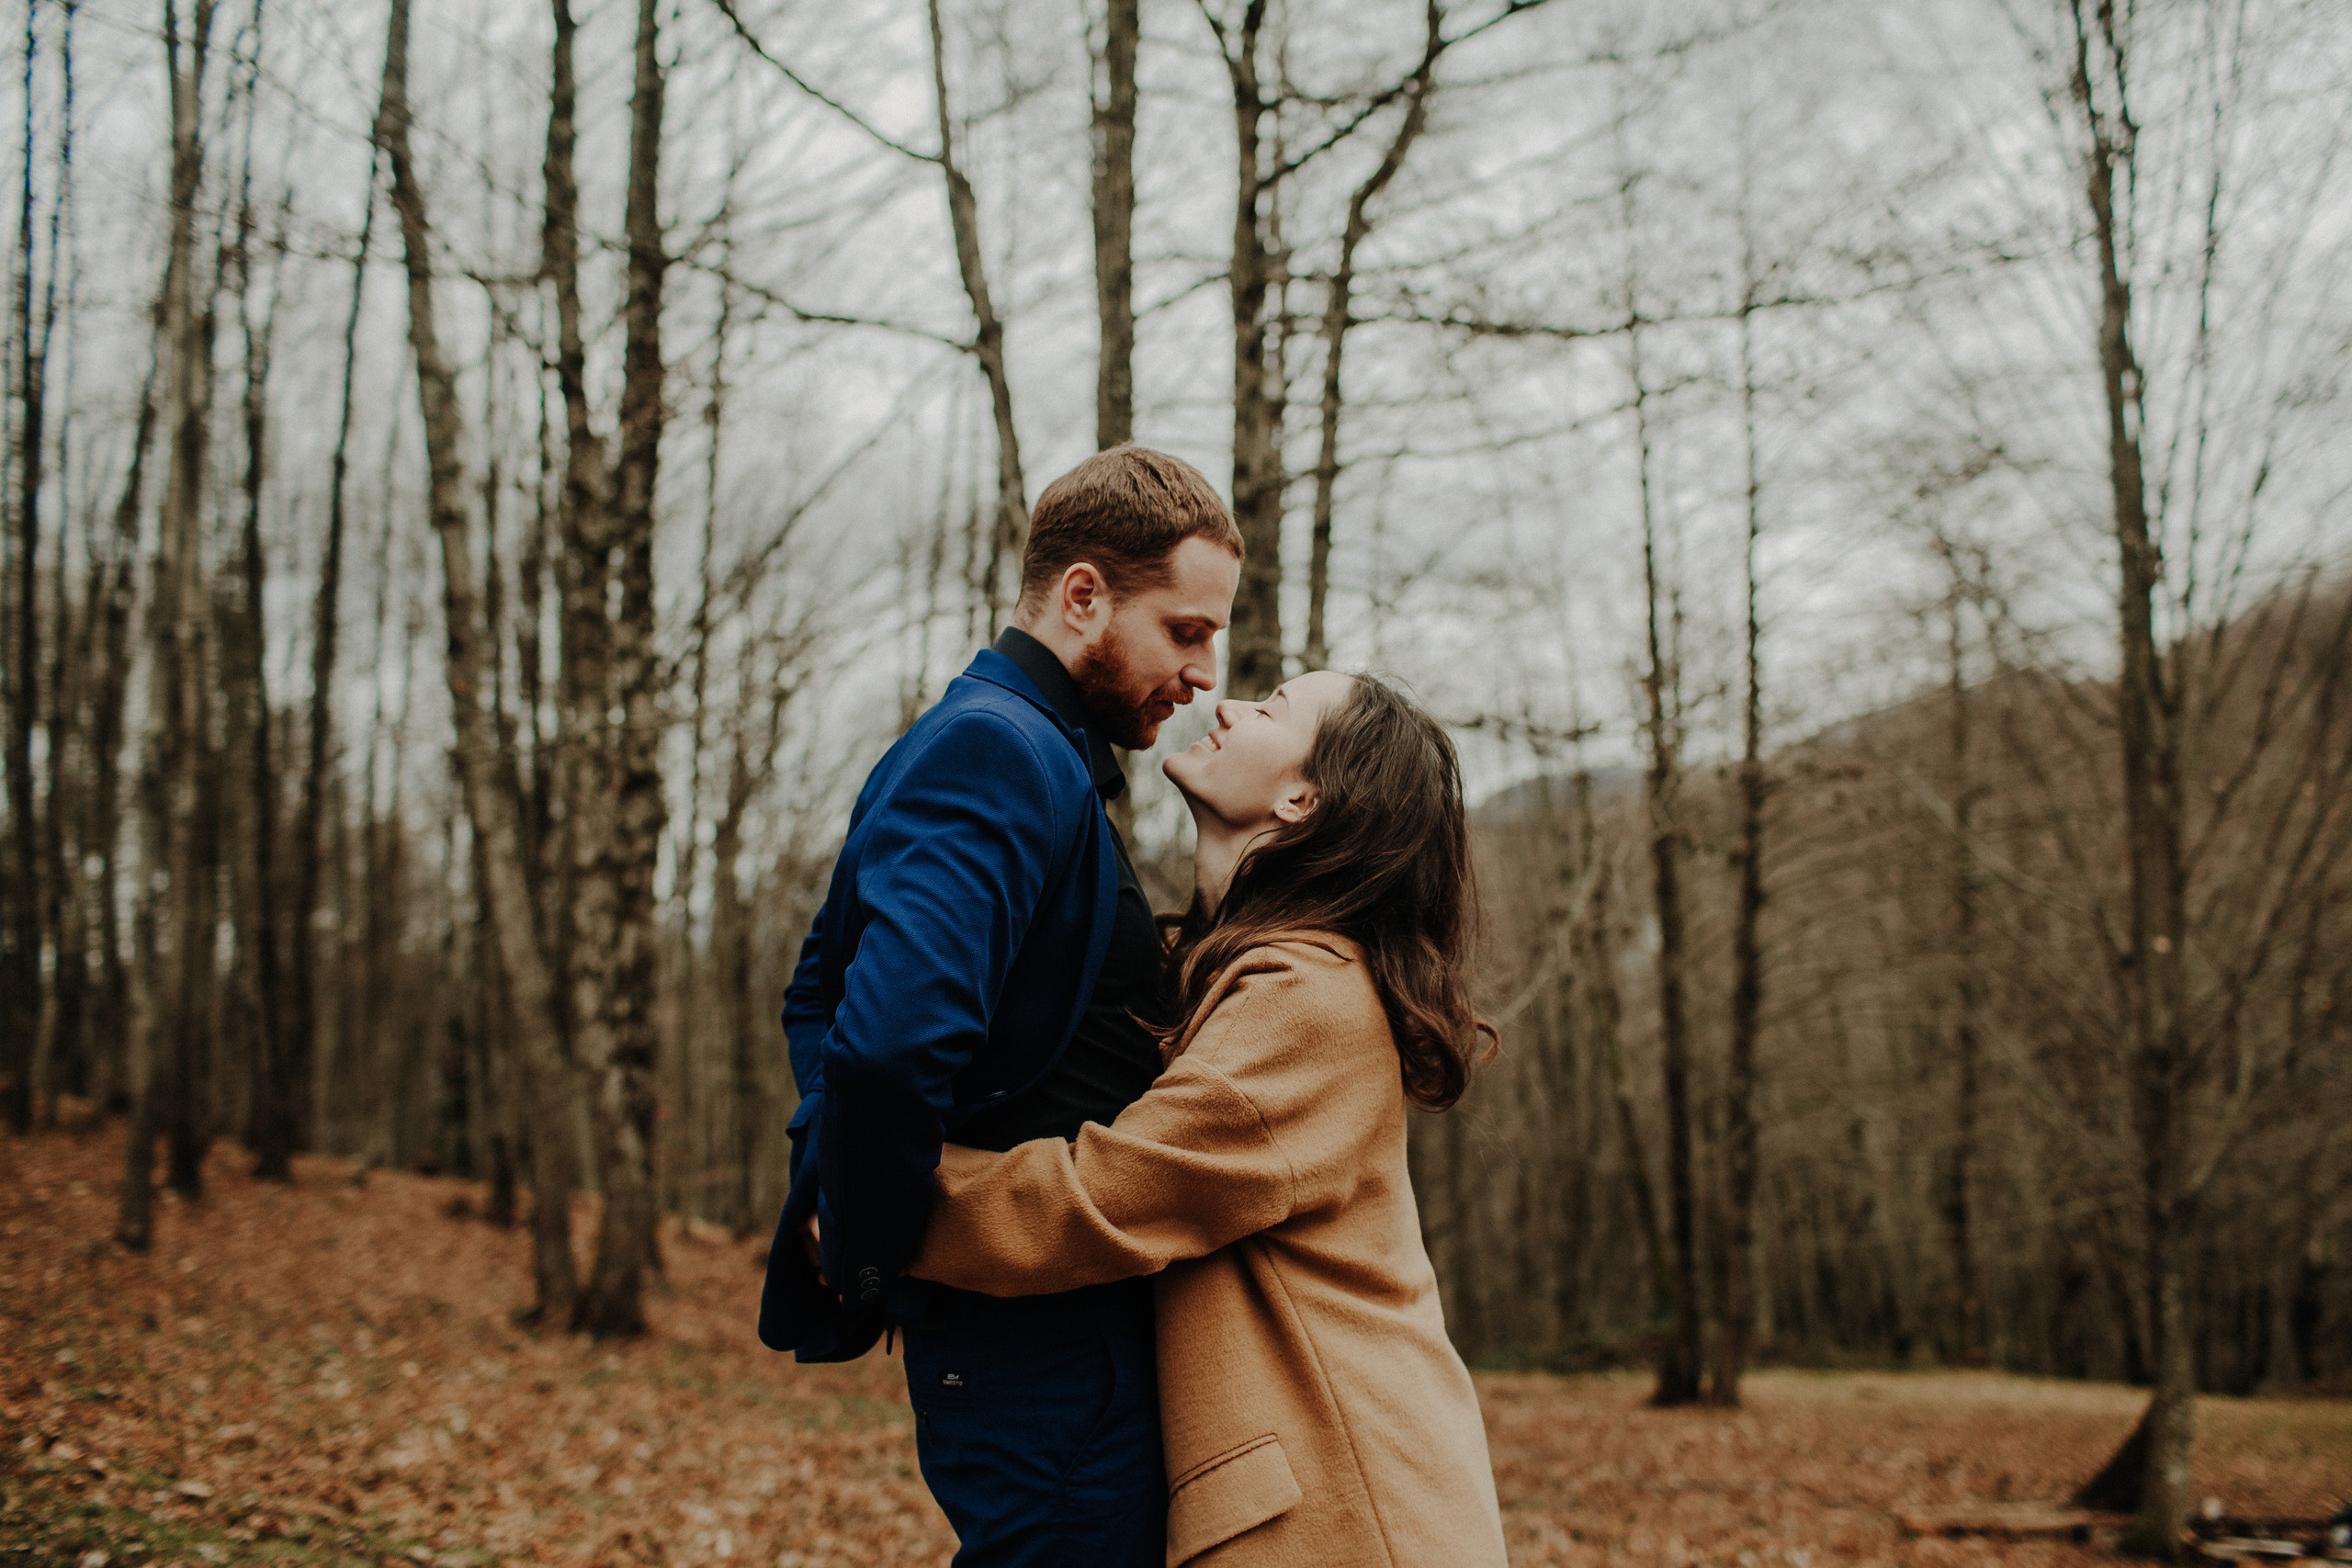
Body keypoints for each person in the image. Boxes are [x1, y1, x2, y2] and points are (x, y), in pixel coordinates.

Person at [757, 445, 1242, 1566]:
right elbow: (878, 1045)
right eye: (1184, 629)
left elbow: (817, 987)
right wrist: (879, 1234)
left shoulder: (1035, 752)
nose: (1205, 671)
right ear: (1083, 597)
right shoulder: (995, 749)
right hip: (1041, 1365)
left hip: (1065, 1349)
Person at [907, 671, 1510, 1567]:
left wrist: (872, 1197)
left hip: (1356, 1512)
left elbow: (1106, 1200)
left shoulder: (1309, 1003)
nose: (1226, 706)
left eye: (1270, 710)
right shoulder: (1232, 976)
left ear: (1302, 797)